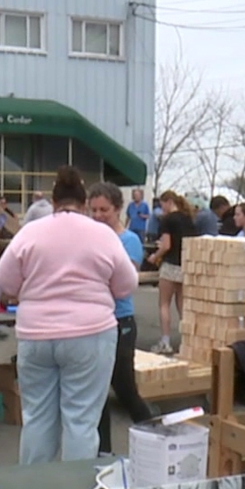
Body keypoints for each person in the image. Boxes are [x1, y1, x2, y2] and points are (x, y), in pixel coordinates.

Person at [0, 168, 137, 463]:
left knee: (36, 418)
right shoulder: (103, 235)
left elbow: (5, 282)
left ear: (53, 201)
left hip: (36, 334)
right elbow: (126, 285)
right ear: (84, 204)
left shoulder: (30, 232)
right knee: (81, 420)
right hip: (90, 333)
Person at [87, 182, 154, 455]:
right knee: (97, 392)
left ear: (117, 209)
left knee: (124, 388)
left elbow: (125, 282)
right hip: (93, 322)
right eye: (94, 210)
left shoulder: (129, 240)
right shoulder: (89, 237)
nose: (99, 215)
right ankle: (103, 452)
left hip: (120, 321)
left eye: (105, 210)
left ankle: (157, 437)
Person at [147, 190, 198, 355]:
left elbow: (167, 245)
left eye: (162, 205)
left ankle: (165, 341)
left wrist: (155, 256)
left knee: (164, 304)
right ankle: (188, 340)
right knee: (182, 304)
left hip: (169, 265)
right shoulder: (188, 218)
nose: (162, 209)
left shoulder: (168, 220)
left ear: (168, 202)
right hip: (185, 264)